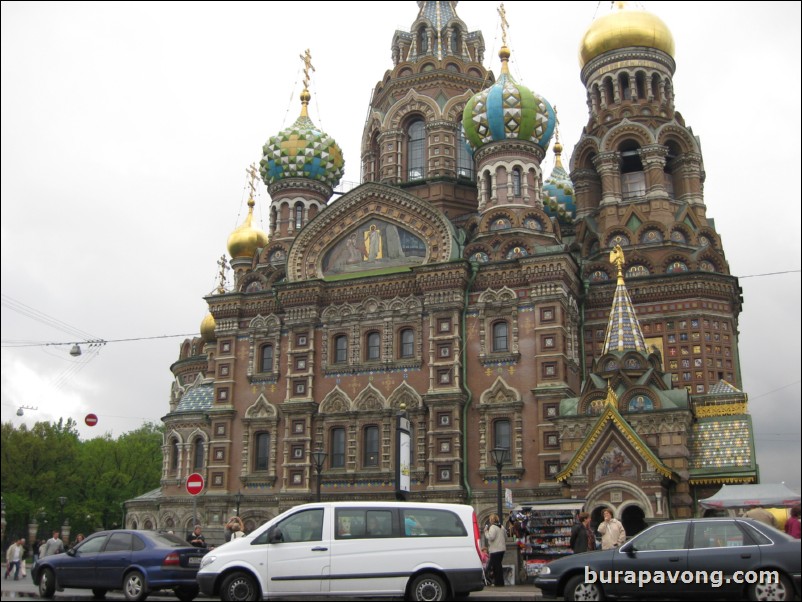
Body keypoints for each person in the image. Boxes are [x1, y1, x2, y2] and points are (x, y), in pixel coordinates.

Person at [484, 513, 506, 587]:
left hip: (495, 549)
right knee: (498, 566)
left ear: (491, 520)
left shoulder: (493, 527)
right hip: (502, 549)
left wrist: (486, 532)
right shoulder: (502, 527)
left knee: (495, 567)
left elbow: (491, 537)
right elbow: (505, 537)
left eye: (490, 519)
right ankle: (500, 582)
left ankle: (498, 582)